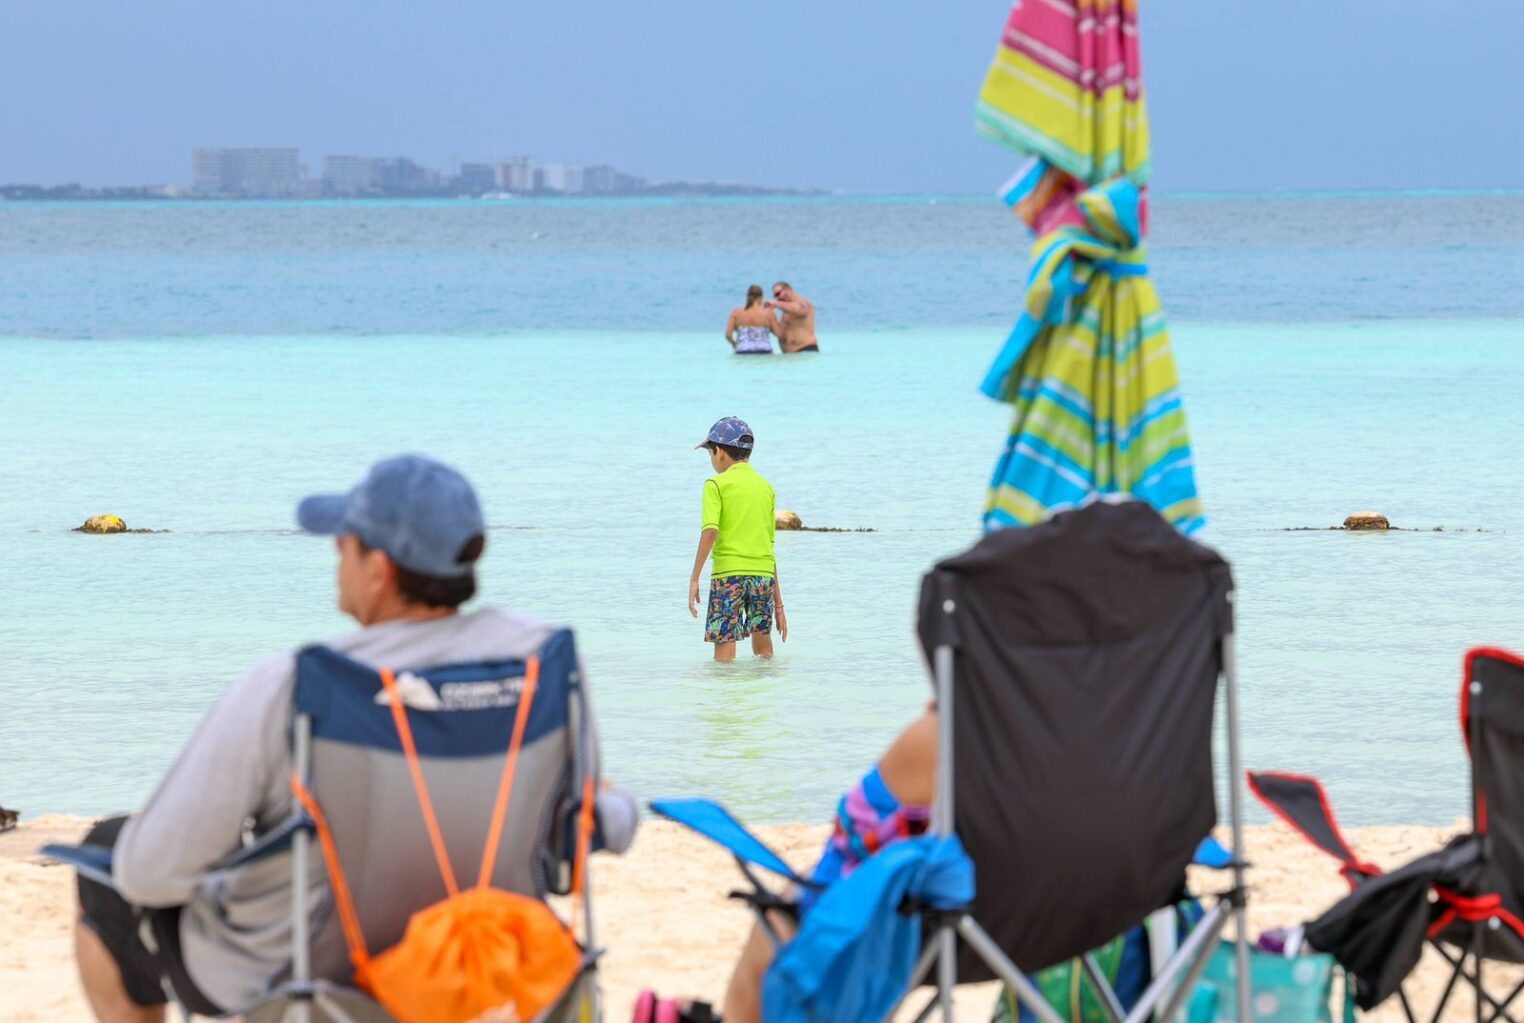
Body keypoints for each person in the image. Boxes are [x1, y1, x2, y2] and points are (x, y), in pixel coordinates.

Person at [71, 454, 639, 1022]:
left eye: (344, 543)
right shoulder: (544, 666)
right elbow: (597, 829)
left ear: (379, 568)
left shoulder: (296, 685)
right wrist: (617, 805)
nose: (336, 556)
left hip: (316, 985)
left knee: (109, 854)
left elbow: (151, 871)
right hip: (495, 966)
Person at [687, 417, 788, 662]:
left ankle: (727, 688)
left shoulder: (715, 484)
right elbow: (769, 547)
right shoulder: (766, 488)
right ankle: (766, 686)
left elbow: (710, 531)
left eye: (710, 452)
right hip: (762, 577)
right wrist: (779, 604)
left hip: (728, 576)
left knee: (724, 657)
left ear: (719, 452)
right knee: (764, 653)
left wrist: (694, 578)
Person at [764, 281, 819, 354]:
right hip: (789, 355)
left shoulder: (803, 303)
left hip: (805, 350)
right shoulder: (786, 310)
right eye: (775, 296)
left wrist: (775, 303)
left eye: (778, 294)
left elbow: (797, 309)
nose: (777, 298)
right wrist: (768, 317)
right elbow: (780, 333)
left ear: (788, 290)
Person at [724, 285, 779, 355]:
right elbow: (778, 333)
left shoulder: (736, 312)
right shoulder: (768, 313)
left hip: (742, 352)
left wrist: (734, 344)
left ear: (747, 296)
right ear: (761, 297)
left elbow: (728, 335)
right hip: (764, 352)